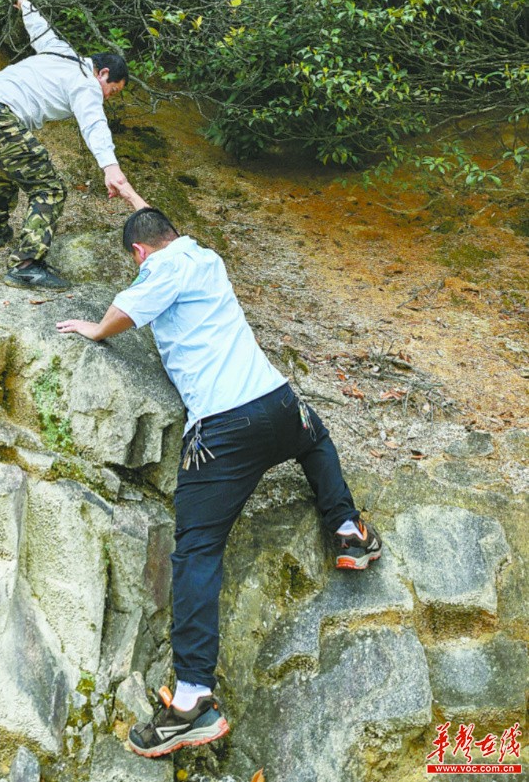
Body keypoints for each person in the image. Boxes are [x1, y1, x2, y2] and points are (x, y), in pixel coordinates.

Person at [57, 199, 382, 759]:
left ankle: (191, 699)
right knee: (317, 438)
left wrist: (97, 328)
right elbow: (159, 232)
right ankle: (348, 530)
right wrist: (134, 196)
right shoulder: (204, 256)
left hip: (224, 429)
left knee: (198, 550)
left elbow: (130, 306)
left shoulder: (160, 267)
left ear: (139, 252)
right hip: (280, 405)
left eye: (138, 257)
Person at [0, 0, 129, 290]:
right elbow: (94, 124)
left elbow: (41, 30)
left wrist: (25, 4)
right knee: (50, 189)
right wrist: (110, 166)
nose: (109, 97)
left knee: (7, 163)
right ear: (104, 73)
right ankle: (26, 265)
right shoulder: (87, 82)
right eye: (113, 90)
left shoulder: (60, 52)